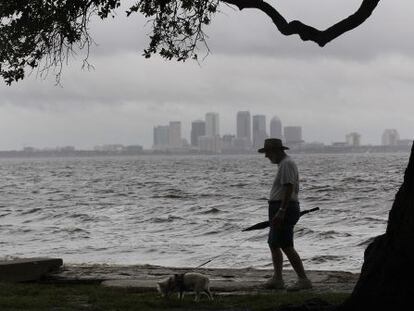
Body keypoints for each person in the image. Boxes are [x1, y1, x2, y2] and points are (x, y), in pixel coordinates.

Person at [258, 138, 312, 291]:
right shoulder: (283, 164)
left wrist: (281, 211)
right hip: (279, 207)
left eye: (268, 153)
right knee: (273, 243)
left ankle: (303, 279)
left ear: (276, 151)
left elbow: (289, 188)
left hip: (284, 208)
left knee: (286, 245)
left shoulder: (287, 164)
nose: (266, 156)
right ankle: (277, 278)